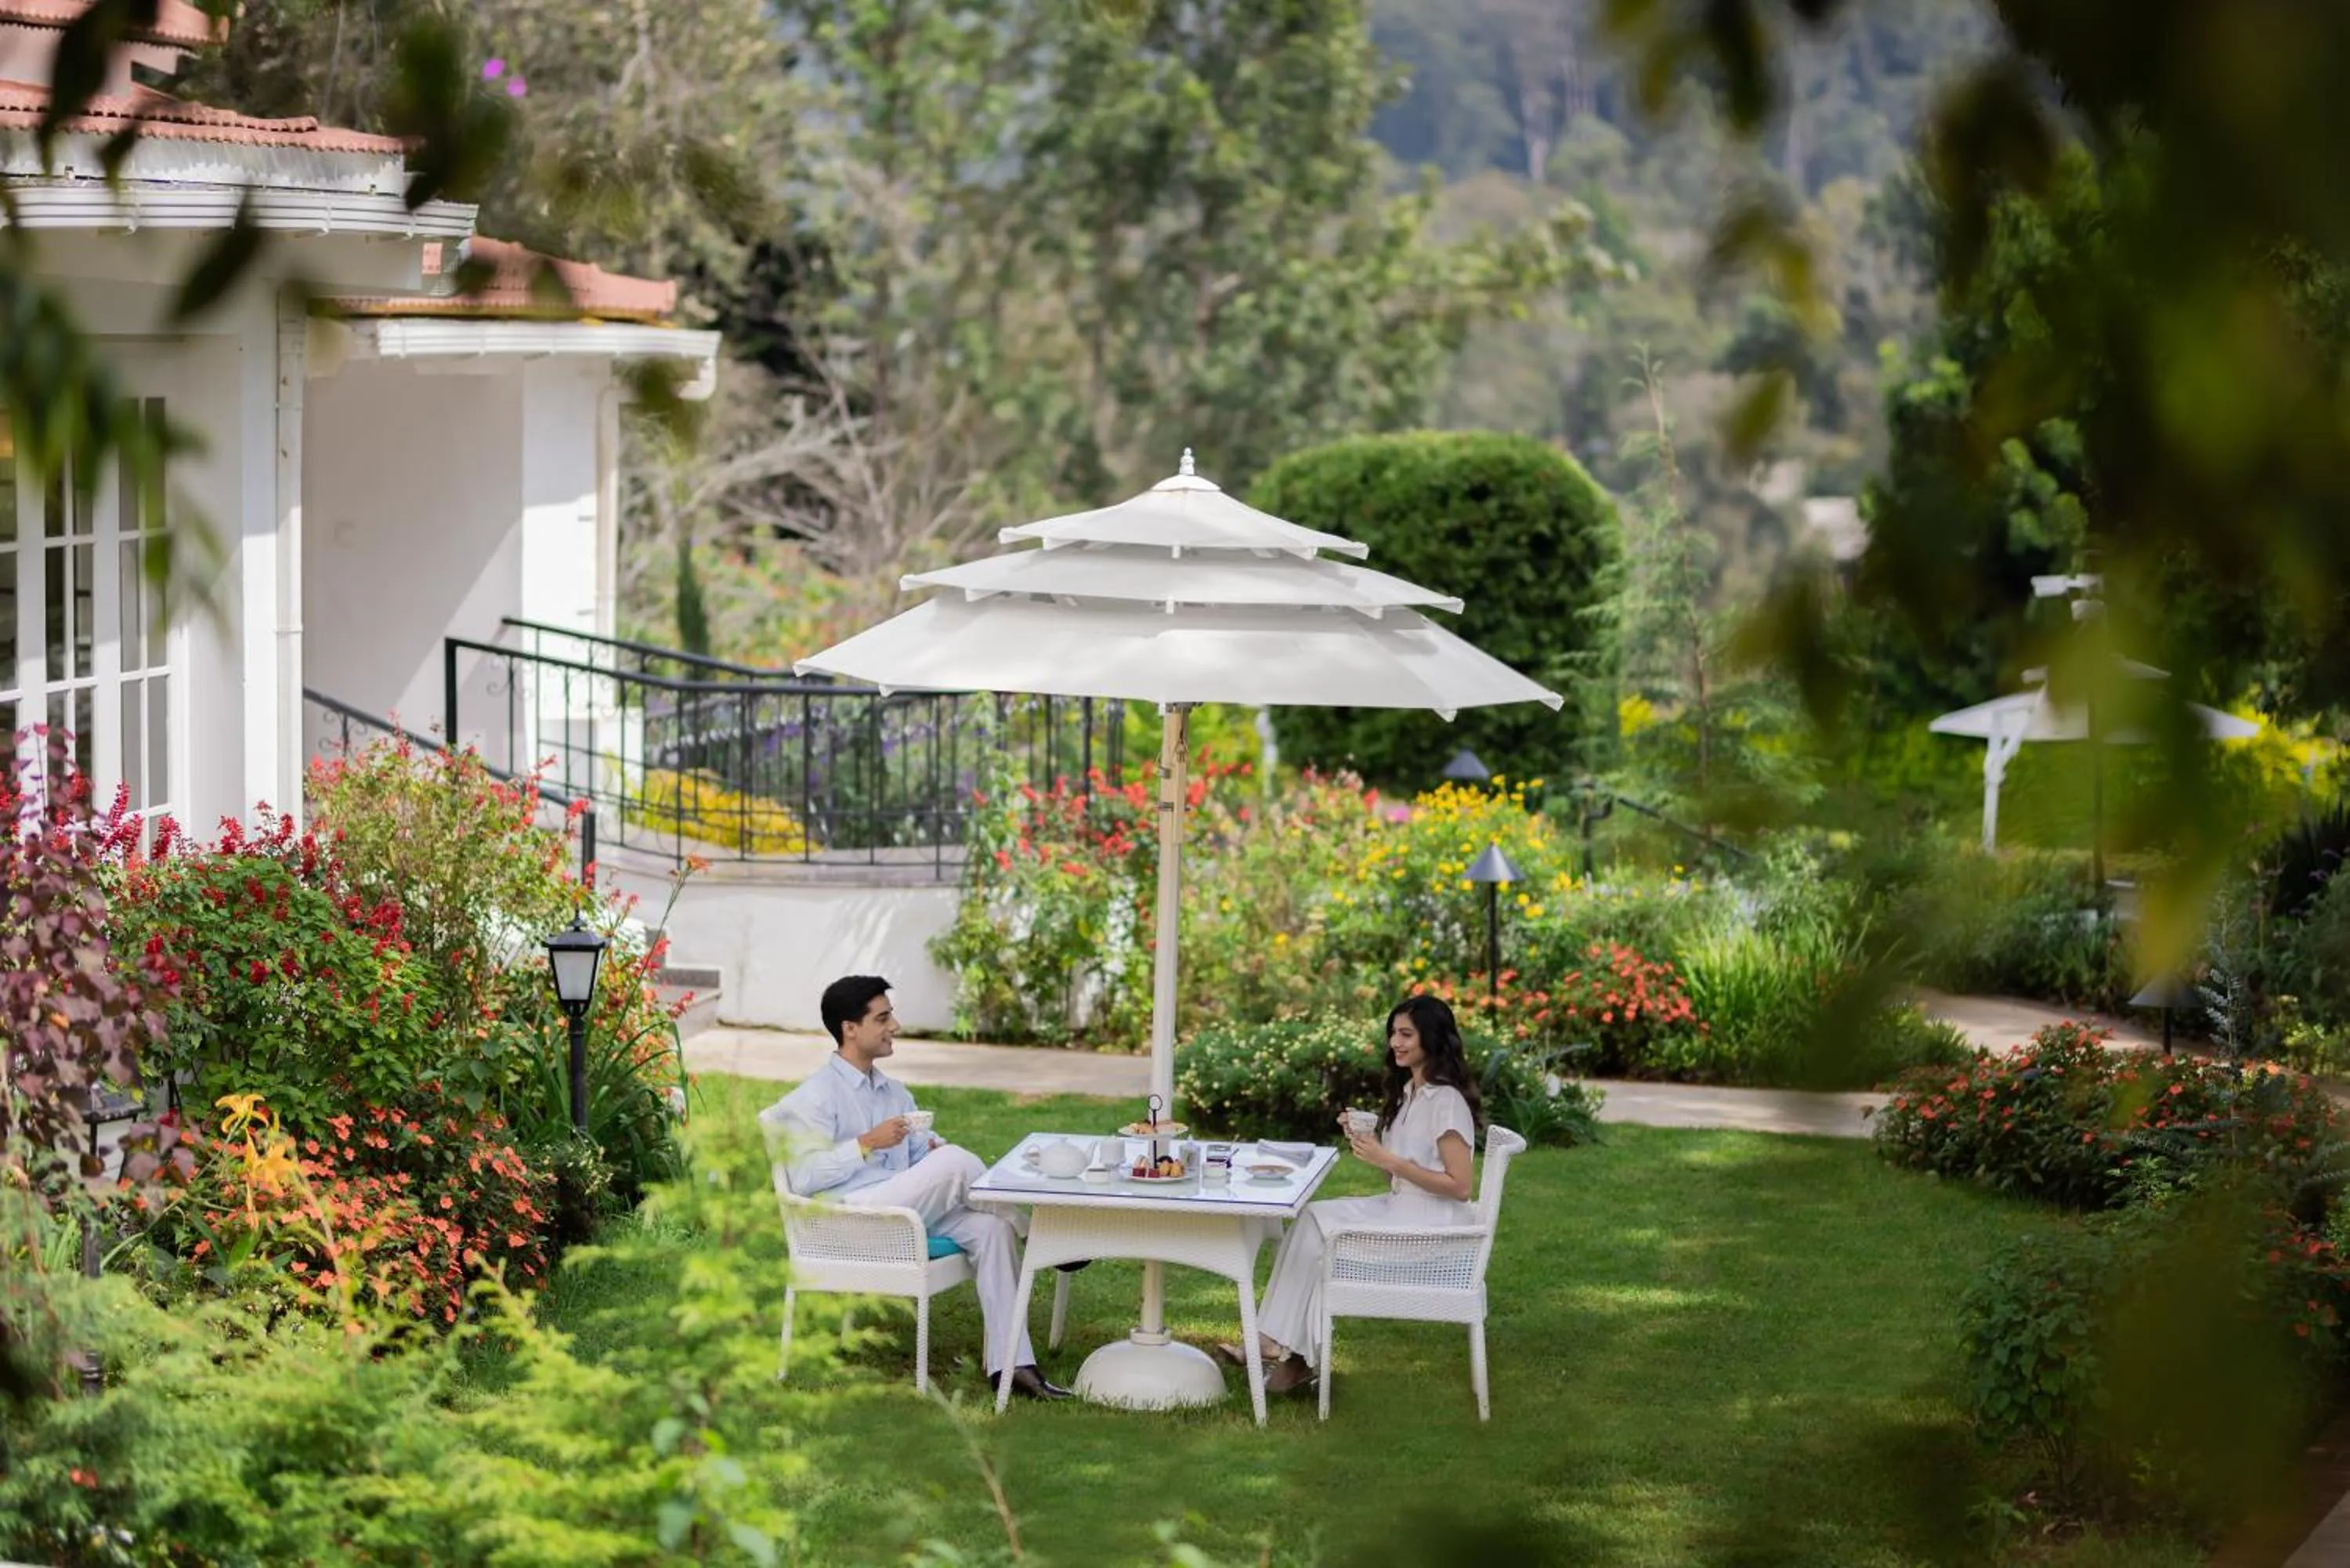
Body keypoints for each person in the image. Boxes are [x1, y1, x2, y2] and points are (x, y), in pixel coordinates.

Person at [761, 975, 1071, 1400]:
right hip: (847, 1221)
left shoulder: (894, 1093)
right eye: (883, 1018)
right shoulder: (814, 1097)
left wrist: (927, 1150)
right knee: (958, 1163)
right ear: (850, 1028)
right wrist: (866, 1144)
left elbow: (915, 1161)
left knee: (989, 1229)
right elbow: (803, 1177)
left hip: (900, 1211)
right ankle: (1032, 1230)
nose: (896, 1026)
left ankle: (1012, 1367)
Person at [1226, 993, 1482, 1394]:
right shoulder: (1411, 1093)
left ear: (1431, 1039)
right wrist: (1370, 1146)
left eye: (1406, 1034)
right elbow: (1401, 1173)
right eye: (1393, 1034)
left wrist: (1390, 1161)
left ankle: (1279, 1347)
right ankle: (1288, 1356)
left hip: (1432, 1227)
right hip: (1405, 1208)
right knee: (1311, 1218)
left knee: (1318, 1230)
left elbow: (1461, 1186)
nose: (1395, 1043)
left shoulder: (1445, 1101)